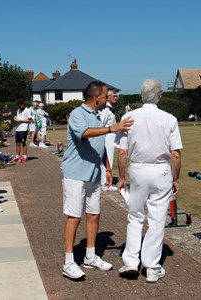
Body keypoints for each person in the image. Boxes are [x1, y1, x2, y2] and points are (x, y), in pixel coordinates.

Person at [61, 81, 133, 280]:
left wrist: (108, 168)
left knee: (94, 215)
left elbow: (98, 145)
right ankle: (68, 262)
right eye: (105, 95)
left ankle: (90, 257)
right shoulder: (78, 114)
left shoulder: (98, 116)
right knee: (74, 217)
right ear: (97, 97)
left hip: (94, 174)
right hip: (75, 174)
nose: (107, 98)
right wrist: (112, 128)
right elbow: (84, 133)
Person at [115, 79, 183, 283]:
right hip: (160, 170)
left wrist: (122, 177)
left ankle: (130, 262)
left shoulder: (128, 116)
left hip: (137, 169)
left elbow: (122, 152)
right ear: (159, 96)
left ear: (141, 95)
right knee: (157, 219)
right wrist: (177, 178)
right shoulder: (169, 119)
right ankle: (151, 266)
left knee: (135, 216)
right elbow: (176, 154)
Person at [99, 89, 118, 189]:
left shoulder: (109, 109)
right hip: (107, 137)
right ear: (108, 97)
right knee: (108, 159)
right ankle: (106, 183)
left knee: (109, 158)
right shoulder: (106, 110)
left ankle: (106, 181)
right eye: (114, 96)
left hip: (111, 136)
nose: (116, 97)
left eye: (116, 96)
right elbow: (100, 125)